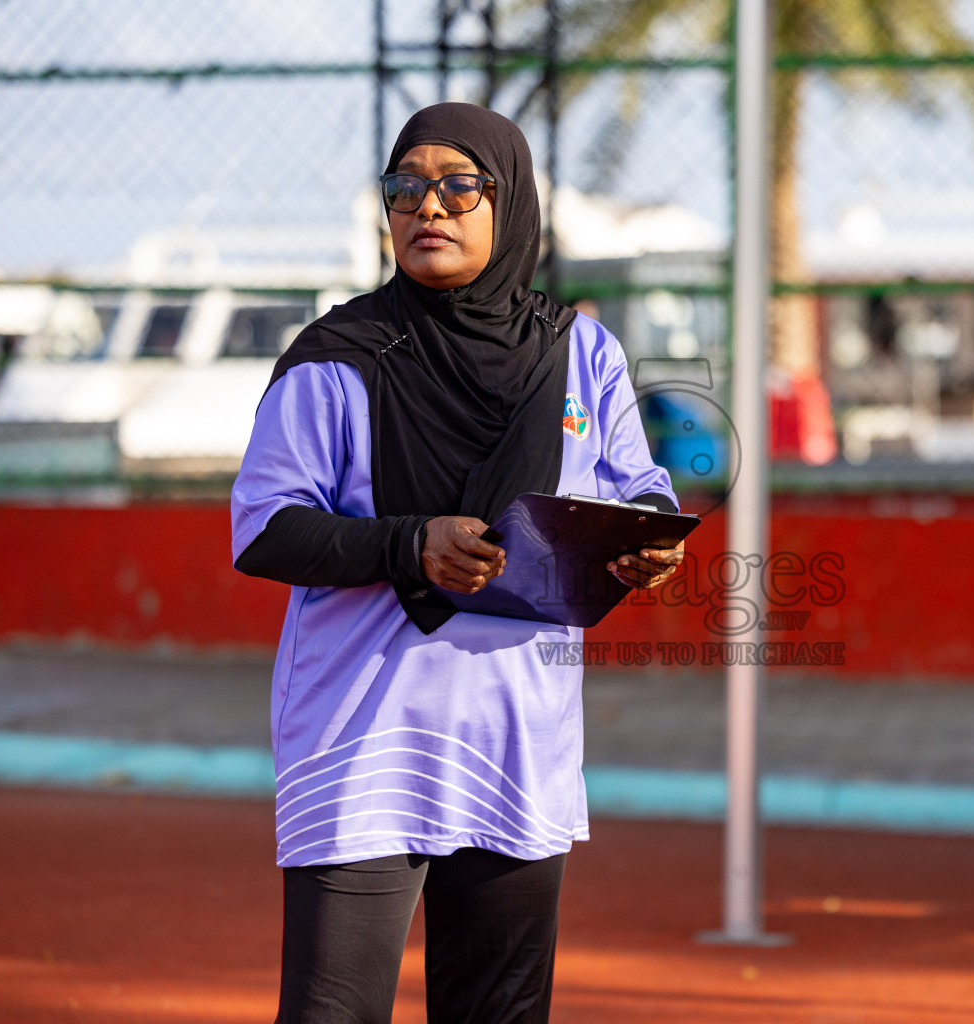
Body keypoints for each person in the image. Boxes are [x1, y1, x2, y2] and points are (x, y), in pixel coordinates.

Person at [230, 102, 685, 1022]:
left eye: (457, 185)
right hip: (362, 737)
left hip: (516, 737)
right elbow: (263, 530)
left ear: (507, 201)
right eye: (405, 188)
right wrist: (409, 542)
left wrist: (644, 541)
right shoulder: (334, 361)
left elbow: (641, 487)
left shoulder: (581, 351)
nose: (426, 206)